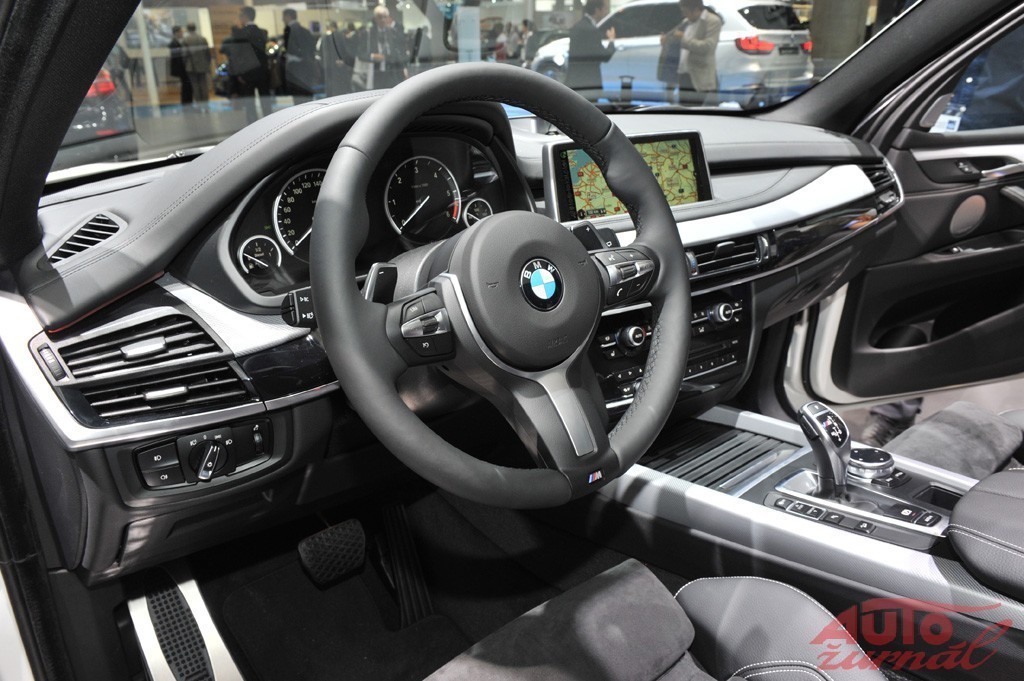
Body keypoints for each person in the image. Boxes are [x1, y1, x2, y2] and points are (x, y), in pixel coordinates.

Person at [662, 0, 722, 105]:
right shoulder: (686, 22)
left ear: (696, 9)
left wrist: (683, 39)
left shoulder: (712, 21)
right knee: (684, 109)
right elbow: (673, 36)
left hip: (699, 74)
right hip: (683, 73)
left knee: (696, 109)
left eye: (686, 11)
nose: (684, 15)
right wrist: (666, 40)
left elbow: (708, 47)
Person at [221, 6, 272, 123]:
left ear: (245, 16)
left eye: (240, 16)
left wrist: (239, 73)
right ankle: (270, 124)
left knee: (250, 104)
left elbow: (237, 55)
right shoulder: (263, 32)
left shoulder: (240, 33)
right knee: (265, 101)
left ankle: (253, 125)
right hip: (262, 71)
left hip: (247, 72)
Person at [566, 0, 616, 99]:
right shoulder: (592, 30)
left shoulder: (576, 27)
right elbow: (604, 56)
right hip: (589, 84)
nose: (606, 12)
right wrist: (611, 40)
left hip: (574, 81)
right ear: (597, 10)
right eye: (604, 9)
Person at [358, 5, 408, 89]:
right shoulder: (368, 33)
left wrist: (404, 70)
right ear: (375, 18)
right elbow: (360, 54)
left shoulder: (393, 33)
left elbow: (399, 52)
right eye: (380, 17)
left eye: (385, 17)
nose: (383, 20)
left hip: (392, 72)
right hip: (375, 73)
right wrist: (373, 56)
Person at [282, 8, 318, 104]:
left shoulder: (289, 30)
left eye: (284, 17)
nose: (283, 19)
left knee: (298, 96)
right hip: (306, 66)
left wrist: (295, 56)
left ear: (288, 16)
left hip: (296, 67)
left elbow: (291, 48)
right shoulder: (305, 31)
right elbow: (311, 48)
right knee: (306, 95)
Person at [321, 22, 356, 96]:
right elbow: (346, 50)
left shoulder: (327, 37)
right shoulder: (341, 36)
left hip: (331, 66)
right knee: (341, 87)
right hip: (340, 65)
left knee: (333, 87)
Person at [182, 23, 211, 109]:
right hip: (203, 65)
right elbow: (207, 53)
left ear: (188, 29)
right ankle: (205, 103)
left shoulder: (185, 40)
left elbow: (184, 54)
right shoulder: (202, 38)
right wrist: (207, 63)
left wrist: (185, 64)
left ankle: (198, 103)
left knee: (195, 85)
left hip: (191, 66)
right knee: (203, 84)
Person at [168, 25, 192, 106]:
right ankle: (186, 102)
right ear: (176, 33)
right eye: (181, 32)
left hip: (182, 67)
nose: (182, 33)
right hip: (181, 68)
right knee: (186, 85)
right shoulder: (174, 43)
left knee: (186, 85)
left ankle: (187, 101)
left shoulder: (177, 42)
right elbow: (178, 58)